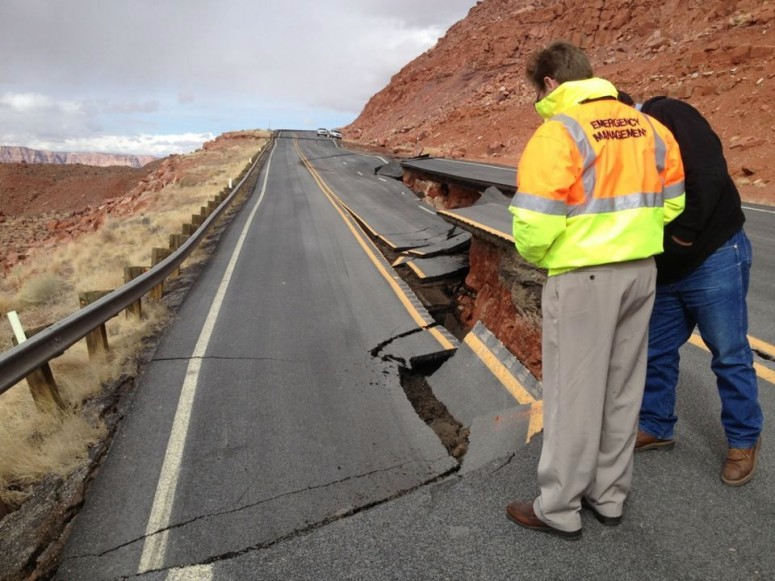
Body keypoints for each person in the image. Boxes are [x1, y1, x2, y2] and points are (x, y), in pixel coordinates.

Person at [506, 41, 686, 539]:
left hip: (584, 277)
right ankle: (609, 497)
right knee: (623, 390)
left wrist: (552, 259)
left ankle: (559, 507)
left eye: (535, 93)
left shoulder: (560, 132)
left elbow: (536, 226)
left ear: (550, 84)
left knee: (573, 396)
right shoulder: (651, 127)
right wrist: (634, 239)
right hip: (641, 272)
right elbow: (672, 205)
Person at [630, 96, 763, 486]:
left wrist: (685, 237)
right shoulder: (620, 143)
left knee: (729, 354)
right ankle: (656, 424)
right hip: (665, 268)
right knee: (656, 350)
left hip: (712, 255)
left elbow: (707, 171)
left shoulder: (666, 113)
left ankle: (742, 440)